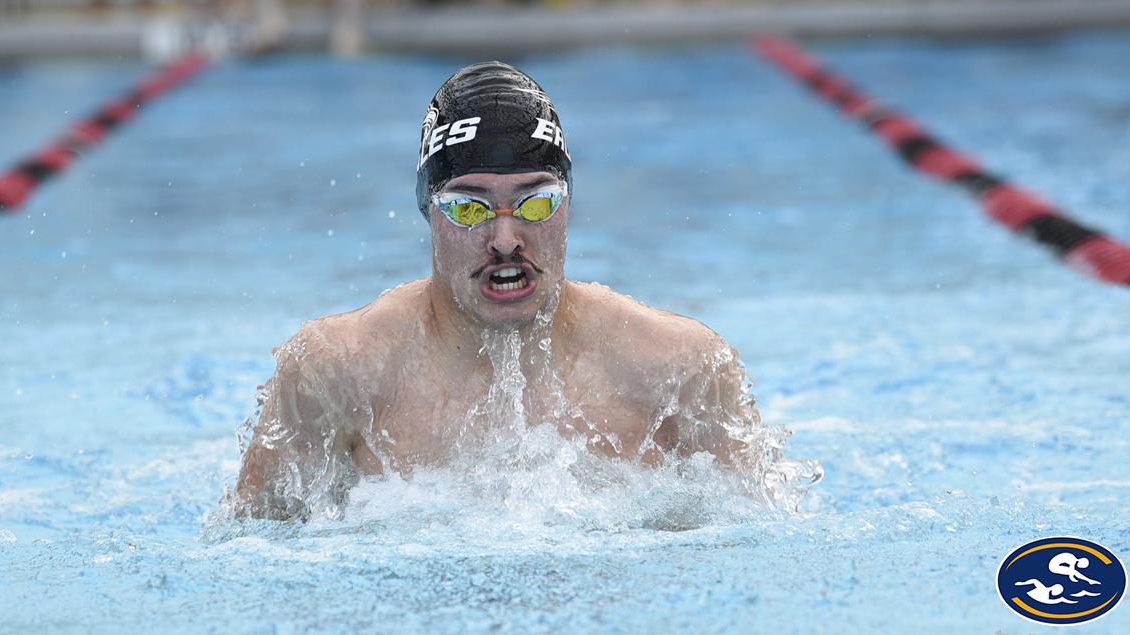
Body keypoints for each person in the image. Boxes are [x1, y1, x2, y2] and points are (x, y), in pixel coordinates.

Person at [230, 61, 807, 522]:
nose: (505, 239)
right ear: (428, 212)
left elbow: (763, 548)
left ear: (567, 205)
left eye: (535, 202)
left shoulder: (678, 369)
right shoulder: (338, 371)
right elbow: (248, 558)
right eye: (469, 206)